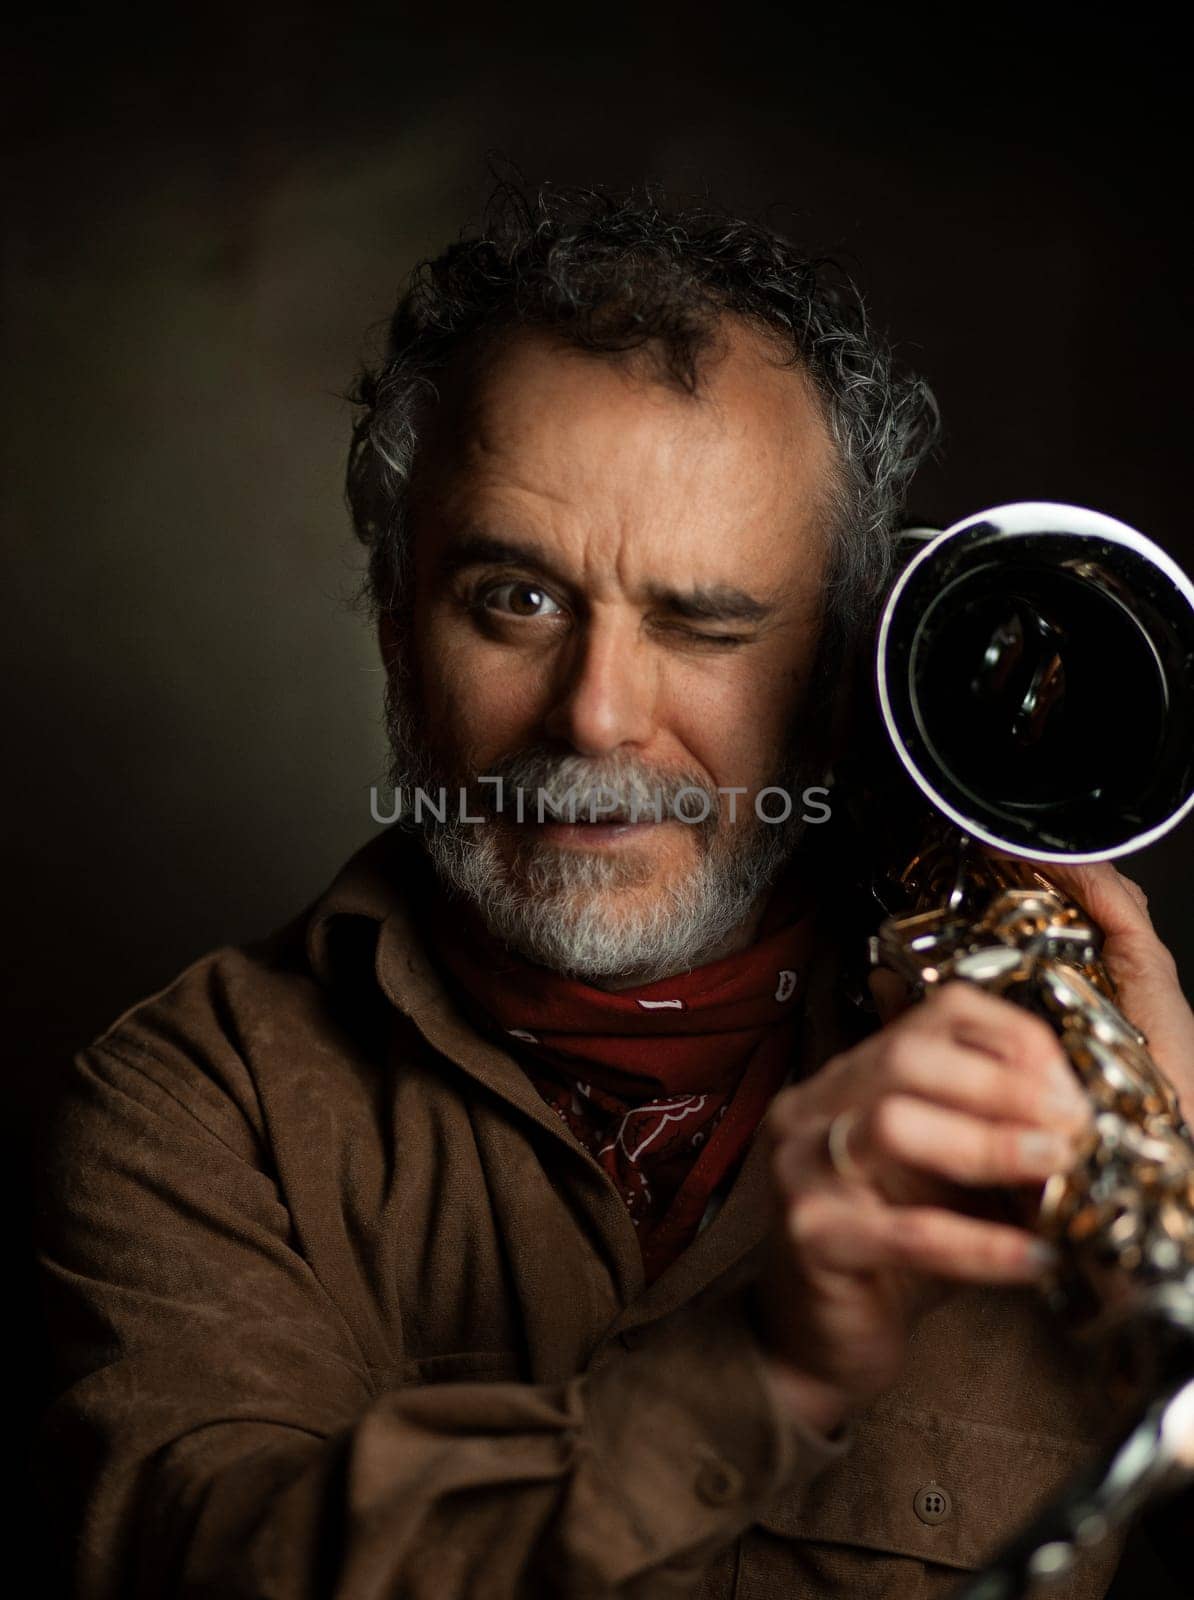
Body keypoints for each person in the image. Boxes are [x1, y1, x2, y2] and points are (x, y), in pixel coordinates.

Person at [33, 184, 1194, 1600]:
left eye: (703, 623)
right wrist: (752, 1372)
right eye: (514, 602)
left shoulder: (1106, 1086)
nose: (594, 718)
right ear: (399, 622)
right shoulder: (193, 1110)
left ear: (838, 667)